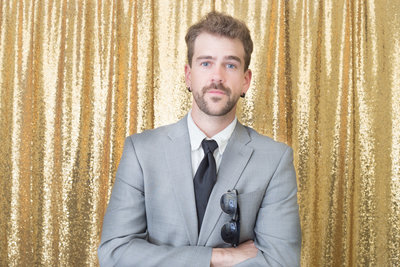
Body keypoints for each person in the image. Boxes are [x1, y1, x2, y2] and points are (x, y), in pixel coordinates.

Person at [98, 11, 301, 267]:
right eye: (206, 63)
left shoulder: (275, 159)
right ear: (188, 75)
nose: (217, 76)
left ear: (246, 81)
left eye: (230, 65)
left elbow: (280, 262)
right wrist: (219, 257)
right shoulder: (141, 151)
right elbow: (115, 253)